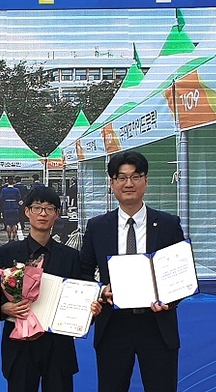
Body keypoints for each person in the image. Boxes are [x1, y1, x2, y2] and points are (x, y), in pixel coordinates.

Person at [79, 151, 186, 392]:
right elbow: (83, 272)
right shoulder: (97, 227)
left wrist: (169, 300)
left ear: (145, 181)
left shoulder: (168, 224)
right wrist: (101, 291)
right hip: (113, 326)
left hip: (157, 325)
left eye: (135, 176)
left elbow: (182, 273)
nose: (129, 183)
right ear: (112, 183)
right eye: (121, 177)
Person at [0, 186, 102, 392]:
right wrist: (4, 308)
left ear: (57, 214)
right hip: (19, 344)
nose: (43, 213)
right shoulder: (7, 253)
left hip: (58, 345)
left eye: (49, 208)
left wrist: (90, 311)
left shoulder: (70, 256)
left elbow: (81, 295)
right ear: (27, 211)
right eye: (37, 208)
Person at [0, 176, 21, 242]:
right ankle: (13, 238)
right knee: (14, 224)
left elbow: (1, 198)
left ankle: (9, 238)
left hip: (7, 206)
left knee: (8, 224)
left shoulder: (4, 190)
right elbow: (19, 198)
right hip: (14, 206)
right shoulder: (16, 190)